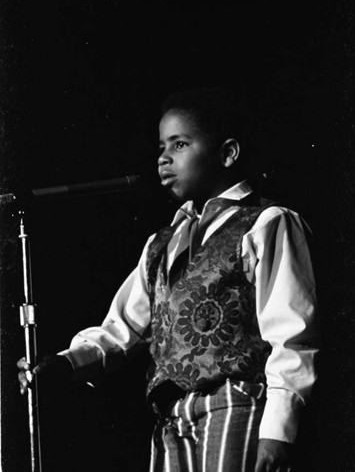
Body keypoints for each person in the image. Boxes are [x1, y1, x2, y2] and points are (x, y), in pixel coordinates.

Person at [18, 86, 319, 472]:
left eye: (180, 145)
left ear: (227, 153)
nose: (163, 158)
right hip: (170, 417)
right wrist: (65, 364)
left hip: (237, 402)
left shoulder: (266, 223)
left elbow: (293, 332)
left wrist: (279, 428)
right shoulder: (161, 244)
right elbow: (121, 330)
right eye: (161, 146)